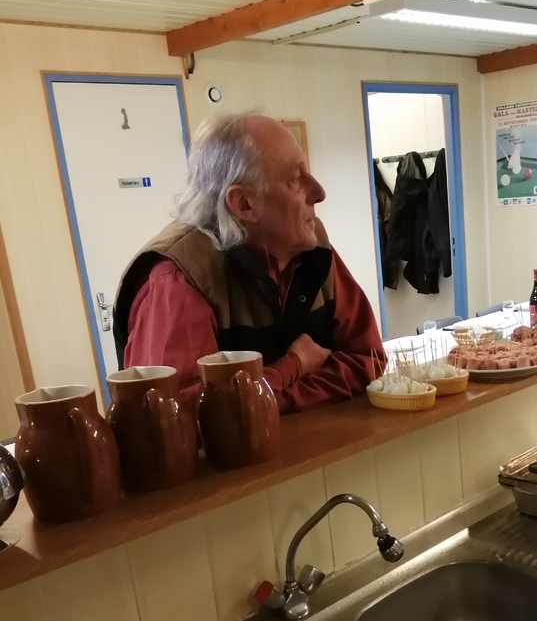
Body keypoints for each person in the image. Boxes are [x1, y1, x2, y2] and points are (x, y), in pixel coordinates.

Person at [113, 113, 384, 414]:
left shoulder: (312, 246)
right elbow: (176, 417)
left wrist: (267, 398)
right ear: (244, 204)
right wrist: (292, 366)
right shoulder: (178, 280)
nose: (319, 193)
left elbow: (368, 360)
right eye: (296, 179)